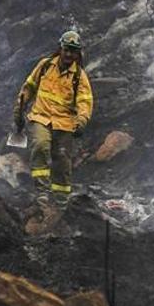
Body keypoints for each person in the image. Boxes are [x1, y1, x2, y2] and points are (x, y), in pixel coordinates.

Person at [13, 31, 94, 205]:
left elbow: (85, 102)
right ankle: (41, 191)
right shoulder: (45, 65)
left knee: (62, 160)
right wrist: (18, 110)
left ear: (78, 53)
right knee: (41, 145)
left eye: (73, 51)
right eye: (67, 49)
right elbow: (29, 87)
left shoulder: (79, 76)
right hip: (41, 117)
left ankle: (61, 198)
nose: (69, 54)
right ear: (60, 48)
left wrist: (82, 121)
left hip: (65, 124)